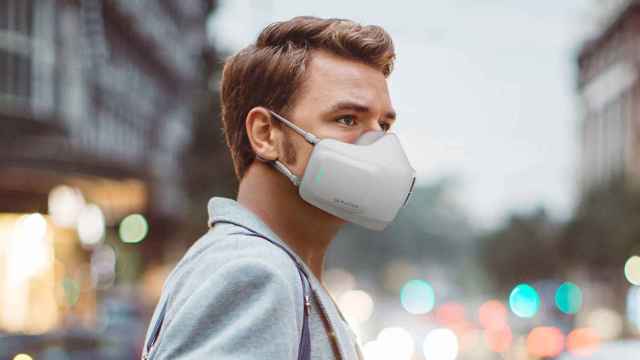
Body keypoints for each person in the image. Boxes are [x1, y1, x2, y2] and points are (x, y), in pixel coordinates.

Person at [141, 16, 415, 360]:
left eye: (384, 125)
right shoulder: (254, 273)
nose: (378, 145)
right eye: (347, 119)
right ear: (265, 134)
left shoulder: (285, 273)